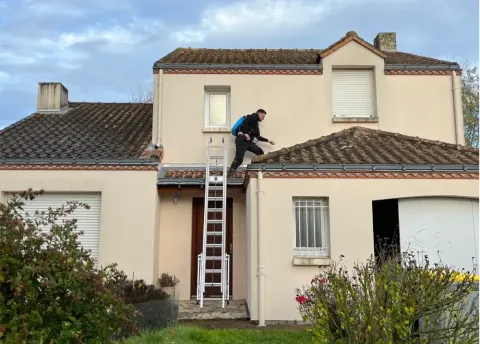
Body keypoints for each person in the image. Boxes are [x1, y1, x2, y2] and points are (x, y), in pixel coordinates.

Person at [227, 109, 275, 178]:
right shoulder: (254, 116)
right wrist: (246, 134)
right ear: (260, 114)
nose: (263, 118)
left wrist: (268, 140)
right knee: (239, 159)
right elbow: (245, 122)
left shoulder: (255, 124)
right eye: (263, 116)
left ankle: (259, 169)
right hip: (241, 140)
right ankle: (229, 176)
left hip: (248, 142)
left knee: (260, 152)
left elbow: (257, 136)